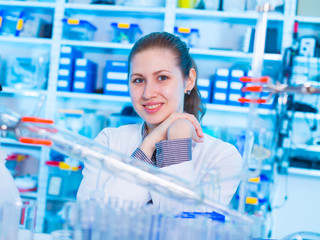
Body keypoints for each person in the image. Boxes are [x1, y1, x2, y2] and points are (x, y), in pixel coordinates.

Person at [77, 32, 243, 213]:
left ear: (189, 80)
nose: (148, 93)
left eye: (162, 77)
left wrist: (176, 143)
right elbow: (90, 217)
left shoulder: (221, 156)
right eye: (138, 80)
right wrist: (148, 145)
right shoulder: (109, 140)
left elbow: (182, 223)